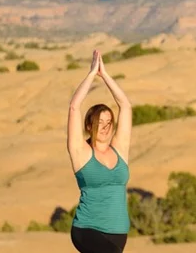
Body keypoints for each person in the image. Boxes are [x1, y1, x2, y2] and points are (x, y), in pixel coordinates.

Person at [66, 50, 132, 253]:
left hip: (119, 232)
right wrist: (92, 74)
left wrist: (105, 75)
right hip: (88, 229)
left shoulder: (120, 149)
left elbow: (126, 106)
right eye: (99, 122)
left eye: (109, 122)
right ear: (88, 126)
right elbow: (74, 107)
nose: (105, 127)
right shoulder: (81, 152)